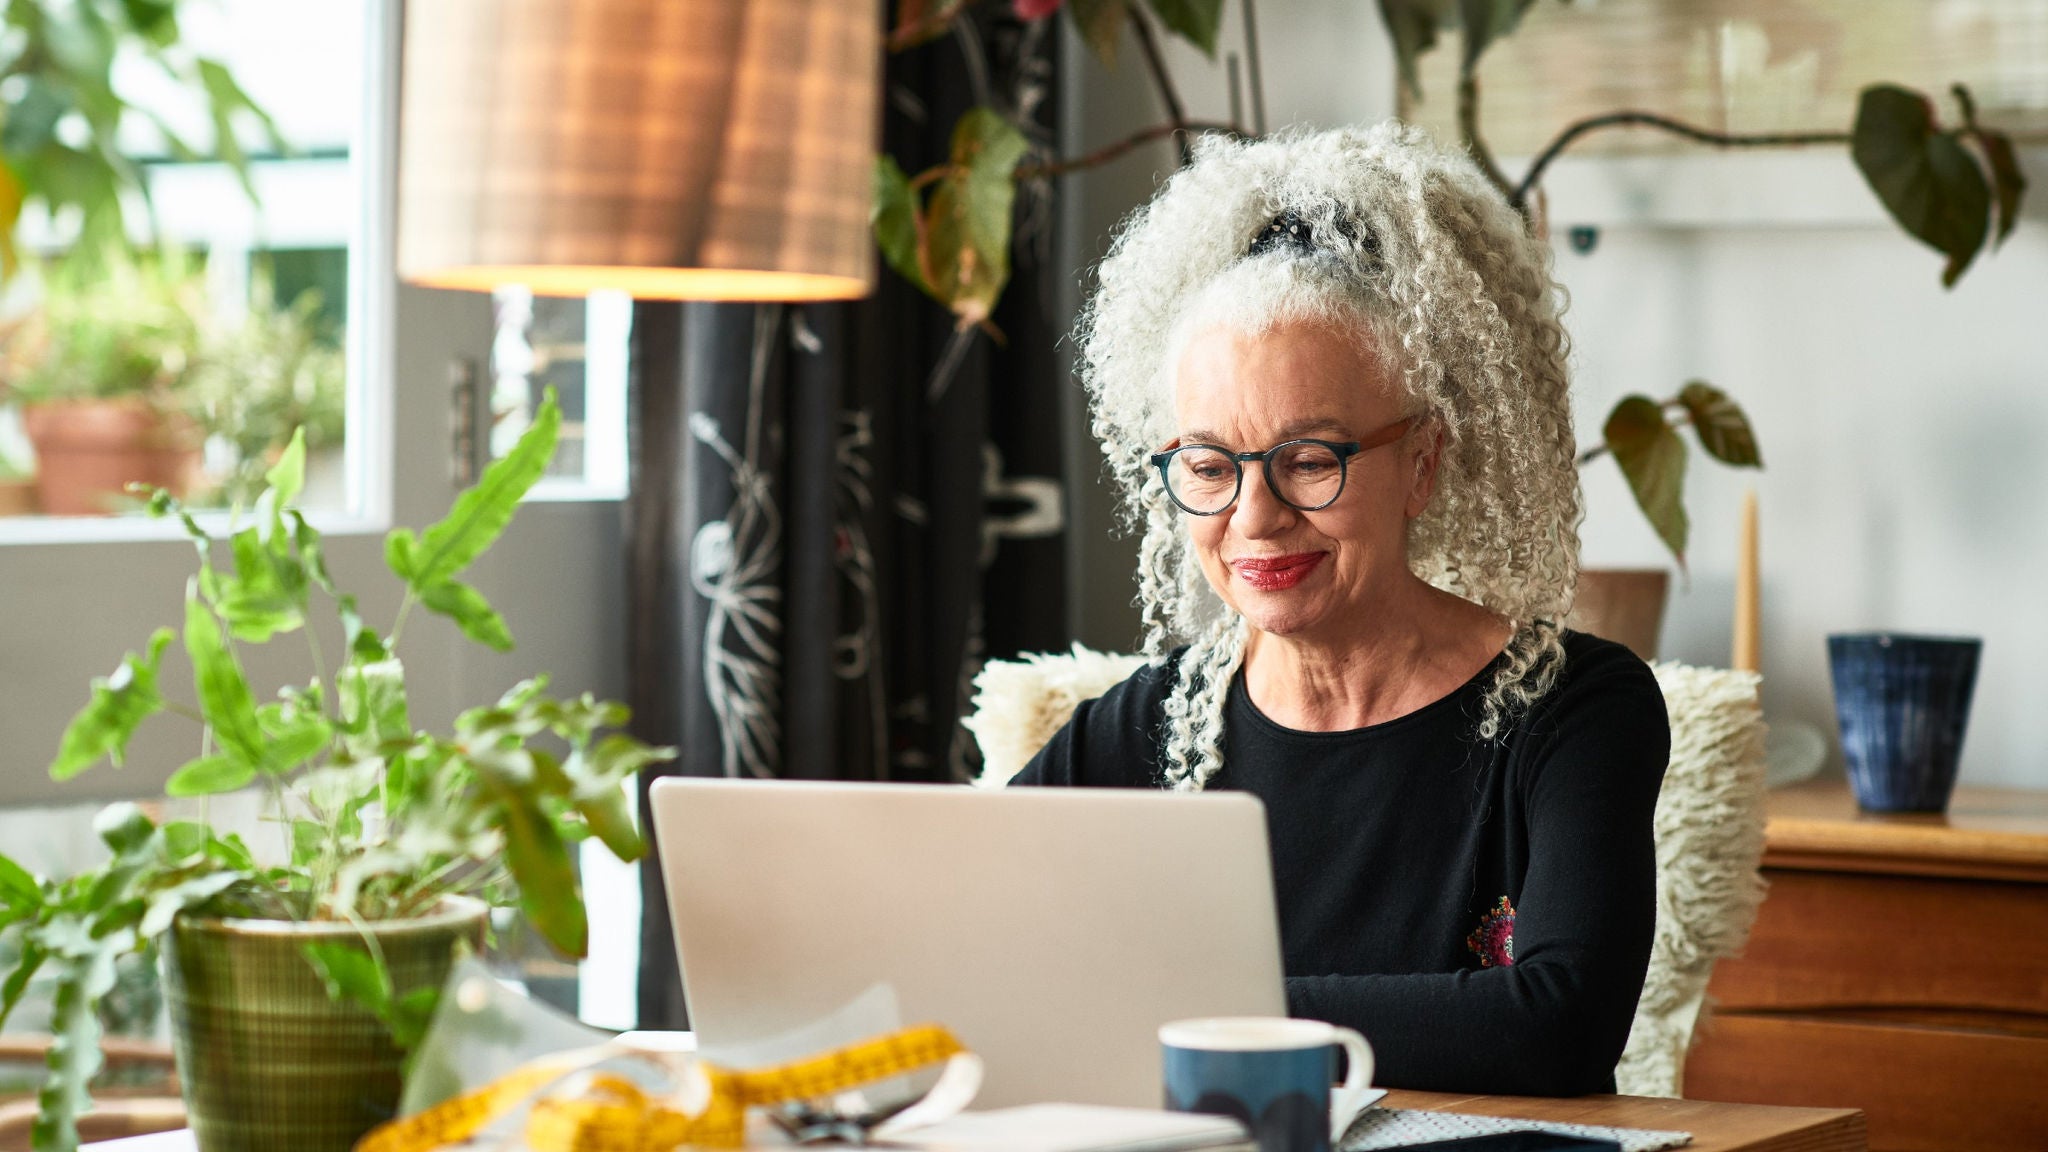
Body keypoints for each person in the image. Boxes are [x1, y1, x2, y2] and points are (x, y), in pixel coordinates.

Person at [1007, 123, 1671, 1097]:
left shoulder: (1572, 711)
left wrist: (1191, 1011)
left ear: (1423, 462)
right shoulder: (1146, 729)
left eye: (1309, 459)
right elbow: (964, 949)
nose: (1254, 516)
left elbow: (1556, 1025)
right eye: (1206, 466)